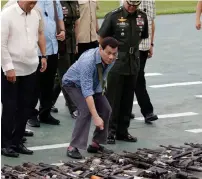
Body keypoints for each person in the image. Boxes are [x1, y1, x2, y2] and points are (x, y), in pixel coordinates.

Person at [98, 0, 149, 144]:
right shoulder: (114, 16)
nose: (132, 7)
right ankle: (109, 131)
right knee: (112, 99)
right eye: (130, 4)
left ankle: (122, 131)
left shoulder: (142, 17)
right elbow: (102, 38)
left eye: (135, 5)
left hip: (133, 63)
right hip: (116, 62)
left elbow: (140, 38)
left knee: (127, 99)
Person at [1, 0, 47, 157]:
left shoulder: (35, 15)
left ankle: (17, 141)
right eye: (30, 2)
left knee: (25, 107)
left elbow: (36, 37)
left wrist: (42, 57)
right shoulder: (7, 14)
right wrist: (8, 67)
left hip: (30, 69)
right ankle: (5, 144)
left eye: (35, 2)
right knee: (9, 107)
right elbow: (1, 44)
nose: (33, 5)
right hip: (12, 70)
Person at [62, 37, 119, 159]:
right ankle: (73, 146)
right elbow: (87, 91)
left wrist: (99, 101)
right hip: (73, 84)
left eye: (114, 54)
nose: (111, 57)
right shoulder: (88, 61)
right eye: (108, 53)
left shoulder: (112, 59)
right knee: (85, 110)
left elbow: (102, 77)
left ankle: (95, 144)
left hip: (93, 84)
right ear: (100, 49)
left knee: (106, 109)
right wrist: (96, 117)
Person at [27, 0, 65, 127]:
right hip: (36, 50)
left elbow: (59, 18)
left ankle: (45, 113)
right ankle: (31, 115)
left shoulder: (55, 2)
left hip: (52, 48)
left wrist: (63, 31)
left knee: (48, 84)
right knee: (34, 85)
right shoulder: (32, 2)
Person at [51, 0, 80, 119]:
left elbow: (76, 23)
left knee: (63, 76)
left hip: (72, 42)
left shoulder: (74, 2)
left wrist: (76, 44)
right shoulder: (56, 3)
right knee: (66, 76)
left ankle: (48, 102)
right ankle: (73, 108)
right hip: (61, 43)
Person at [131, 0, 158, 124]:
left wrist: (151, 43)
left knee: (137, 77)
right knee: (136, 77)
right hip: (130, 46)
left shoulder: (151, 1)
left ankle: (125, 109)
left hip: (144, 46)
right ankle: (147, 111)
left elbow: (151, 22)